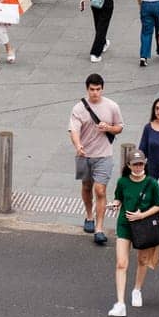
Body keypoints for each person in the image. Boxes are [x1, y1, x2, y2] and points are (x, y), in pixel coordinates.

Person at [107, 149, 159, 317]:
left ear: (144, 164)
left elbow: (158, 205)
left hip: (144, 226)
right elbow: (119, 198)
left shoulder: (152, 183)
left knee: (142, 260)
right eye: (135, 164)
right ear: (129, 165)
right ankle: (120, 303)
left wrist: (141, 215)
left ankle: (137, 289)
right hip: (125, 225)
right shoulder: (123, 182)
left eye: (141, 164)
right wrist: (115, 204)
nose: (138, 167)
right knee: (121, 263)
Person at [69, 73, 123, 241]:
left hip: (104, 155)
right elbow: (74, 130)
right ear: (87, 89)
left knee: (100, 190)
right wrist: (78, 146)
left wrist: (108, 128)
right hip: (84, 155)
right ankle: (89, 216)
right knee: (86, 187)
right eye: (92, 89)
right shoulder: (78, 108)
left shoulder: (112, 106)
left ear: (102, 89)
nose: (95, 93)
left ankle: (99, 228)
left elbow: (120, 127)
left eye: (98, 89)